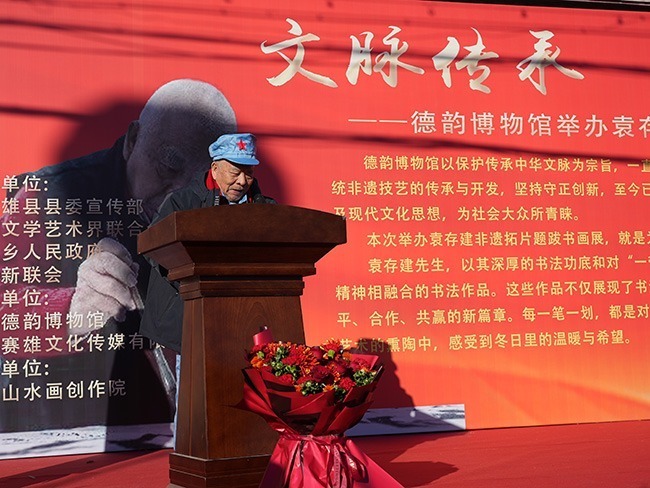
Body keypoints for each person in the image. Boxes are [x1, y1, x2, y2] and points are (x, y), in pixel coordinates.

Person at [0, 79, 237, 434]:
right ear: (132, 140)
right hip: (64, 431)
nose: (175, 195)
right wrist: (72, 309)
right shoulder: (47, 195)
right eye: (167, 168)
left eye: (197, 182)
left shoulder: (218, 211)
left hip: (178, 429)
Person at [140, 133, 276, 353]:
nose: (242, 181)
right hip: (188, 315)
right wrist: (193, 284)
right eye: (235, 173)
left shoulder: (267, 210)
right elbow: (154, 248)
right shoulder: (182, 202)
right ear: (215, 169)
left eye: (249, 173)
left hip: (246, 319)